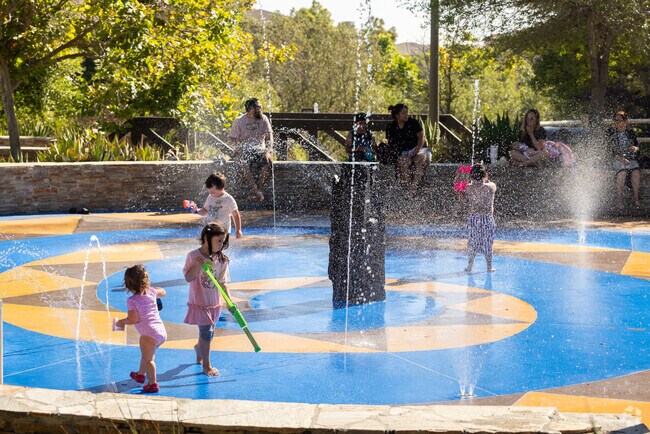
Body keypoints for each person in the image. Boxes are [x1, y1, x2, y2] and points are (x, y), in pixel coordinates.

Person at [183, 223, 233, 376]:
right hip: (200, 303)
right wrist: (198, 266)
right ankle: (207, 366)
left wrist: (229, 302)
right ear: (206, 238)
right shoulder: (193, 256)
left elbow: (222, 283)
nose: (221, 244)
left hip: (214, 303)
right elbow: (188, 277)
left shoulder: (222, 260)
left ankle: (199, 349)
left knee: (208, 334)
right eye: (218, 241)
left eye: (223, 241)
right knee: (206, 333)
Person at [114, 265, 167, 393]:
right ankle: (140, 374)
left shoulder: (132, 300)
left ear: (128, 285)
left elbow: (133, 319)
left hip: (148, 333)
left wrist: (121, 322)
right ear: (146, 281)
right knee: (146, 354)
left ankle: (152, 384)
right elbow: (163, 292)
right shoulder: (152, 292)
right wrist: (154, 289)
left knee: (149, 360)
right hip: (160, 332)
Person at [228, 98, 273, 202]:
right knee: (243, 163)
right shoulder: (239, 121)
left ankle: (259, 190)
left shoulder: (263, 119)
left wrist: (267, 151)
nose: (261, 109)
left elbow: (270, 137)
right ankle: (256, 191)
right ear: (252, 109)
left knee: (268, 162)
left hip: (260, 150)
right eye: (259, 107)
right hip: (245, 150)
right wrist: (238, 148)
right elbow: (232, 138)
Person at [385, 103, 432, 193]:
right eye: (404, 113)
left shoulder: (413, 123)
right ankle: (409, 186)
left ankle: (414, 186)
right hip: (403, 152)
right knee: (404, 162)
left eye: (407, 112)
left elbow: (421, 138)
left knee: (420, 159)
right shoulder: (391, 127)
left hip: (420, 148)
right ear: (397, 115)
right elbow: (391, 143)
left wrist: (416, 150)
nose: (407, 115)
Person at [188, 172, 243, 239]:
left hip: (223, 230)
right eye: (209, 192)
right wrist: (196, 211)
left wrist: (238, 230)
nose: (211, 194)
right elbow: (205, 211)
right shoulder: (210, 197)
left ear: (221, 188)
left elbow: (236, 215)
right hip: (210, 229)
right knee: (209, 247)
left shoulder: (228, 199)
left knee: (218, 247)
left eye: (212, 192)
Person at [605, 111, 641, 210]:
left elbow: (637, 146)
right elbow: (608, 150)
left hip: (631, 158)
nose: (617, 122)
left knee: (636, 172)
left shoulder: (630, 132)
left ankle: (636, 198)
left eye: (619, 120)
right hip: (617, 158)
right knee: (623, 173)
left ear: (625, 122)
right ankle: (619, 200)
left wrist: (634, 148)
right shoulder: (610, 132)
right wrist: (621, 158)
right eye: (615, 120)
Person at [465, 163, 497, 273]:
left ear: (471, 176)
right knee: (488, 243)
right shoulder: (491, 186)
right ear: (485, 175)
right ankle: (489, 267)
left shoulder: (468, 188)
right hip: (487, 218)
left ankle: (470, 266)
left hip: (474, 218)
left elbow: (471, 185)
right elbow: (489, 183)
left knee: (472, 242)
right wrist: (485, 179)